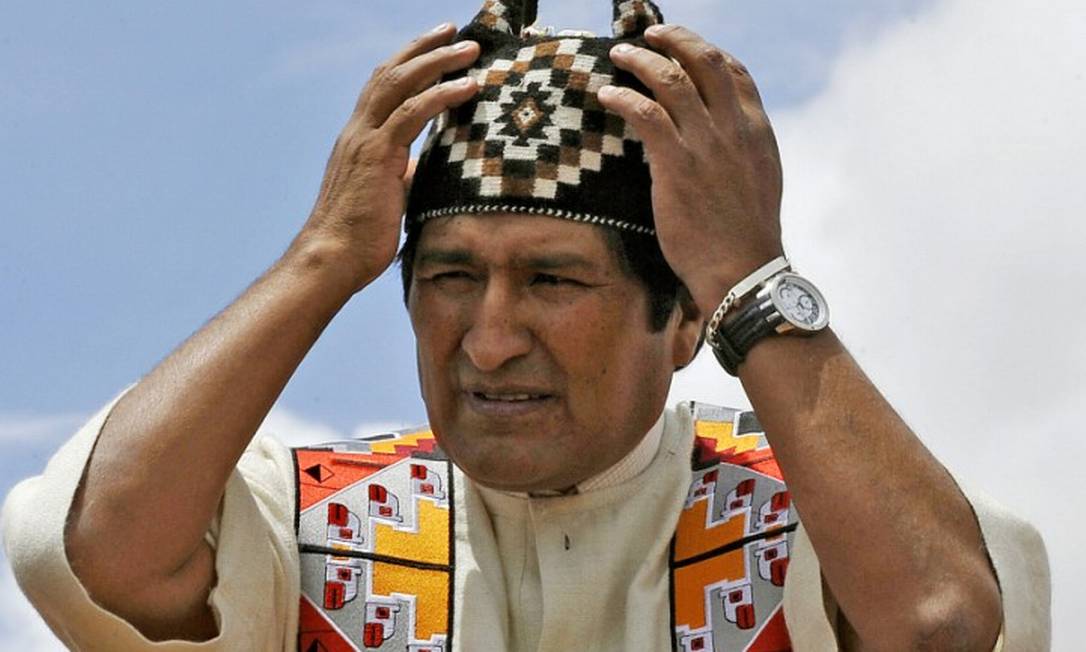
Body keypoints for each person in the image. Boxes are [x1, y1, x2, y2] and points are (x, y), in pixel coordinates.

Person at [2, 1, 1050, 650]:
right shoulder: (318, 521)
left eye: (552, 280)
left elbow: (940, 624)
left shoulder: (801, 524)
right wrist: (323, 256)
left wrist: (749, 271)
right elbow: (94, 558)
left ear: (685, 321)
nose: (489, 337)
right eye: (451, 275)